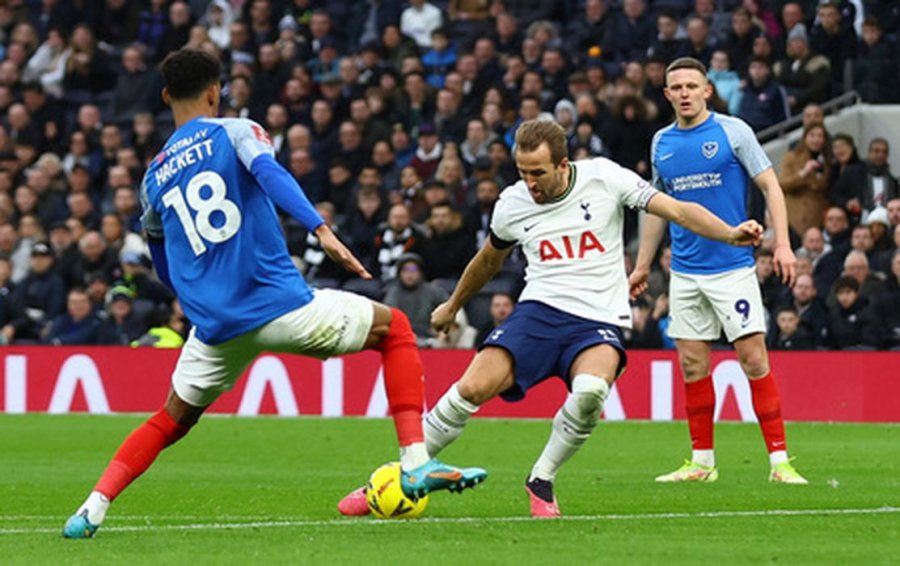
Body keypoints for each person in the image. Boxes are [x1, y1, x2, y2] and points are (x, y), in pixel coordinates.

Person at [63, 49, 485, 540]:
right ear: (214, 92)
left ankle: (91, 508)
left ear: (164, 97)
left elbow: (162, 260)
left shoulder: (152, 176)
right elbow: (270, 174)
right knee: (396, 329)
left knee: (170, 419)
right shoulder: (236, 131)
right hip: (281, 306)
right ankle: (415, 462)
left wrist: (195, 298)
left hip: (216, 328)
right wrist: (320, 228)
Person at [338, 118, 763, 518]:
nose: (530, 182)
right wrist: (452, 305)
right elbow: (488, 260)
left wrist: (729, 233)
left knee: (591, 392)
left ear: (563, 164)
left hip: (598, 318)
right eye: (523, 171)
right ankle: (389, 481)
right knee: (469, 389)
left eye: (538, 172)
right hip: (538, 312)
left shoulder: (605, 177)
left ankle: (541, 480)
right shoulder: (512, 204)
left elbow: (678, 210)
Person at [629, 57, 808, 486]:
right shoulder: (661, 143)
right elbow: (658, 208)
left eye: (693, 85)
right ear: (667, 94)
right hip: (686, 272)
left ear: (707, 90)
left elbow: (770, 186)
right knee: (692, 366)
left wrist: (781, 244)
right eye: (678, 87)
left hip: (732, 268)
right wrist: (641, 265)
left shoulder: (733, 131)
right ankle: (702, 462)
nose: (686, 93)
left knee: (752, 359)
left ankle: (780, 462)